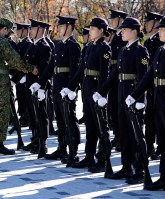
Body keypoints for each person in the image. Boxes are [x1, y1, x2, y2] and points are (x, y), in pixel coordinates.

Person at [126, 16, 165, 197]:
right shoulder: (161, 51)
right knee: (163, 142)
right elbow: (149, 77)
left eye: (163, 29)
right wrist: (134, 95)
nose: (159, 31)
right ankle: (164, 177)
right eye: (159, 29)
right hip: (159, 102)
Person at [93, 17, 149, 183]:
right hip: (122, 96)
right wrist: (101, 91)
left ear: (134, 31)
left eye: (124, 29)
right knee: (124, 133)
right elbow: (114, 75)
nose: (121, 32)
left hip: (133, 97)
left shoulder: (140, 51)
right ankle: (126, 166)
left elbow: (143, 77)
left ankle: (140, 170)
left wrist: (140, 99)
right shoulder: (124, 50)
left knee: (136, 135)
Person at [31, 15, 81, 166]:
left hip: (67, 86)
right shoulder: (58, 45)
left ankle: (74, 149)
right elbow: (50, 68)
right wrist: (39, 83)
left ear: (69, 27)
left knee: (70, 118)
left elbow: (75, 69)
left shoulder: (74, 45)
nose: (58, 29)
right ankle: (62, 146)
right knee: (59, 118)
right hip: (58, 85)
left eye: (61, 26)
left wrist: (72, 88)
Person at [62, 17, 111, 171]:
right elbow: (80, 70)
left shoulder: (104, 48)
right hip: (88, 88)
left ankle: (102, 158)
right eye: (90, 29)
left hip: (97, 89)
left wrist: (102, 93)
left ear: (101, 31)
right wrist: (70, 87)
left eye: (93, 28)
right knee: (90, 125)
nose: (90, 31)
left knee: (101, 126)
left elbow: (105, 73)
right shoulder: (89, 47)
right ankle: (89, 156)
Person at [0, 18, 28, 155]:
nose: (9, 35)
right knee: (1, 113)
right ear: (4, 29)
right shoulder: (2, 42)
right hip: (0, 81)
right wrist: (29, 68)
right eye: (8, 32)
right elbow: (14, 59)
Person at [23, 19, 52, 158]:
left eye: (33, 29)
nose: (31, 31)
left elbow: (46, 69)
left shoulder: (45, 47)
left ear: (40, 29)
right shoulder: (32, 46)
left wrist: (42, 87)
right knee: (33, 114)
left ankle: (43, 143)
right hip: (30, 85)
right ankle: (35, 139)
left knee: (41, 115)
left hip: (39, 86)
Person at [142, 11, 164, 160]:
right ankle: (149, 145)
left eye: (149, 22)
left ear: (156, 23)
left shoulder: (159, 42)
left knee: (159, 119)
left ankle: (160, 147)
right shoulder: (148, 42)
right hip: (149, 84)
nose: (146, 24)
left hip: (158, 84)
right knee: (149, 118)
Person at [107, 9, 128, 152]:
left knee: (120, 108)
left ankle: (122, 137)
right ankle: (117, 135)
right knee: (113, 108)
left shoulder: (124, 38)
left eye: (114, 20)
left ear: (121, 20)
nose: (112, 22)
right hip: (113, 76)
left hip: (121, 76)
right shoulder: (114, 37)